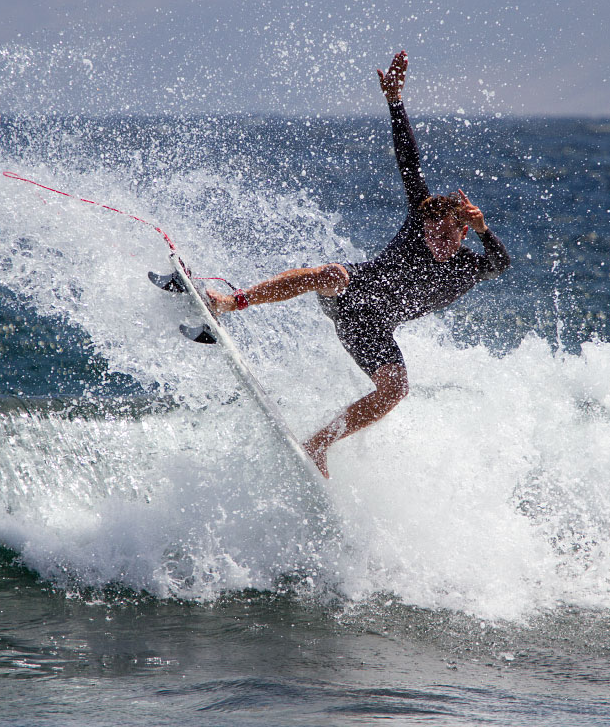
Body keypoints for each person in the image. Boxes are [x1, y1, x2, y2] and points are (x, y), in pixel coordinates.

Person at [208, 50, 510, 477]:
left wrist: (484, 230)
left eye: (449, 235)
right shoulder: (419, 217)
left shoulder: (468, 264)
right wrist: (395, 101)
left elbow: (501, 264)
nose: (438, 239)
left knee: (396, 389)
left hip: (370, 328)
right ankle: (228, 303)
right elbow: (410, 161)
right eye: (433, 231)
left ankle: (319, 443)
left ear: (463, 234)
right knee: (329, 273)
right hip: (351, 292)